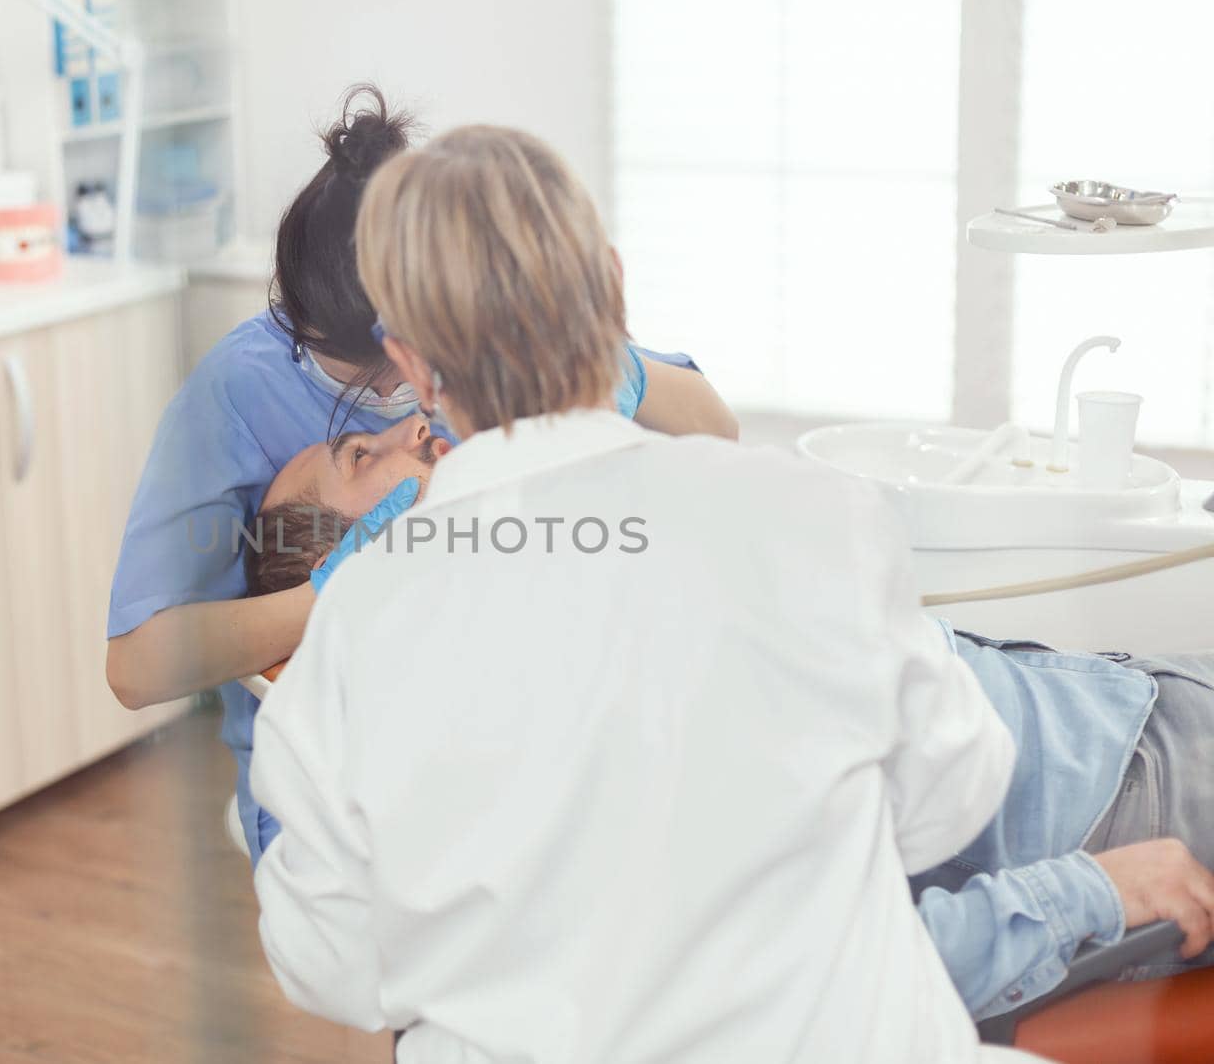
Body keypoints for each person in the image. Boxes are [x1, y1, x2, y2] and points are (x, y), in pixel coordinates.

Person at [249, 123, 1041, 1063]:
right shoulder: (811, 513)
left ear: (411, 364)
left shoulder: (355, 631)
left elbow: (329, 961)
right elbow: (957, 793)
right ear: (614, 289)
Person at [246, 427, 1214, 1022]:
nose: (406, 424)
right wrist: (1086, 891)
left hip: (1112, 711)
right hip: (1121, 806)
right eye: (359, 458)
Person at [106, 84, 737, 861]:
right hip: (340, 759)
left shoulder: (477, 336)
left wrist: (615, 369)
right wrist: (338, 591)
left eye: (411, 369)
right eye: (357, 383)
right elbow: (137, 666)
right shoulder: (235, 393)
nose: (407, 408)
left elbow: (715, 430)